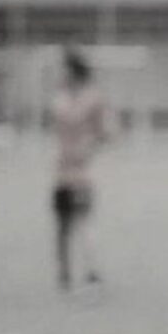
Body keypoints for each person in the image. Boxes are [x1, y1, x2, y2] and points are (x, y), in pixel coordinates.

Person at [50, 49, 113, 291]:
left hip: (82, 173)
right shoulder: (59, 99)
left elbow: (108, 131)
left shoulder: (93, 98)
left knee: (84, 220)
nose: (59, 74)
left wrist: (90, 146)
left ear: (73, 70)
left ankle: (91, 272)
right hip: (61, 172)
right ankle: (64, 273)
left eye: (63, 69)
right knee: (62, 224)